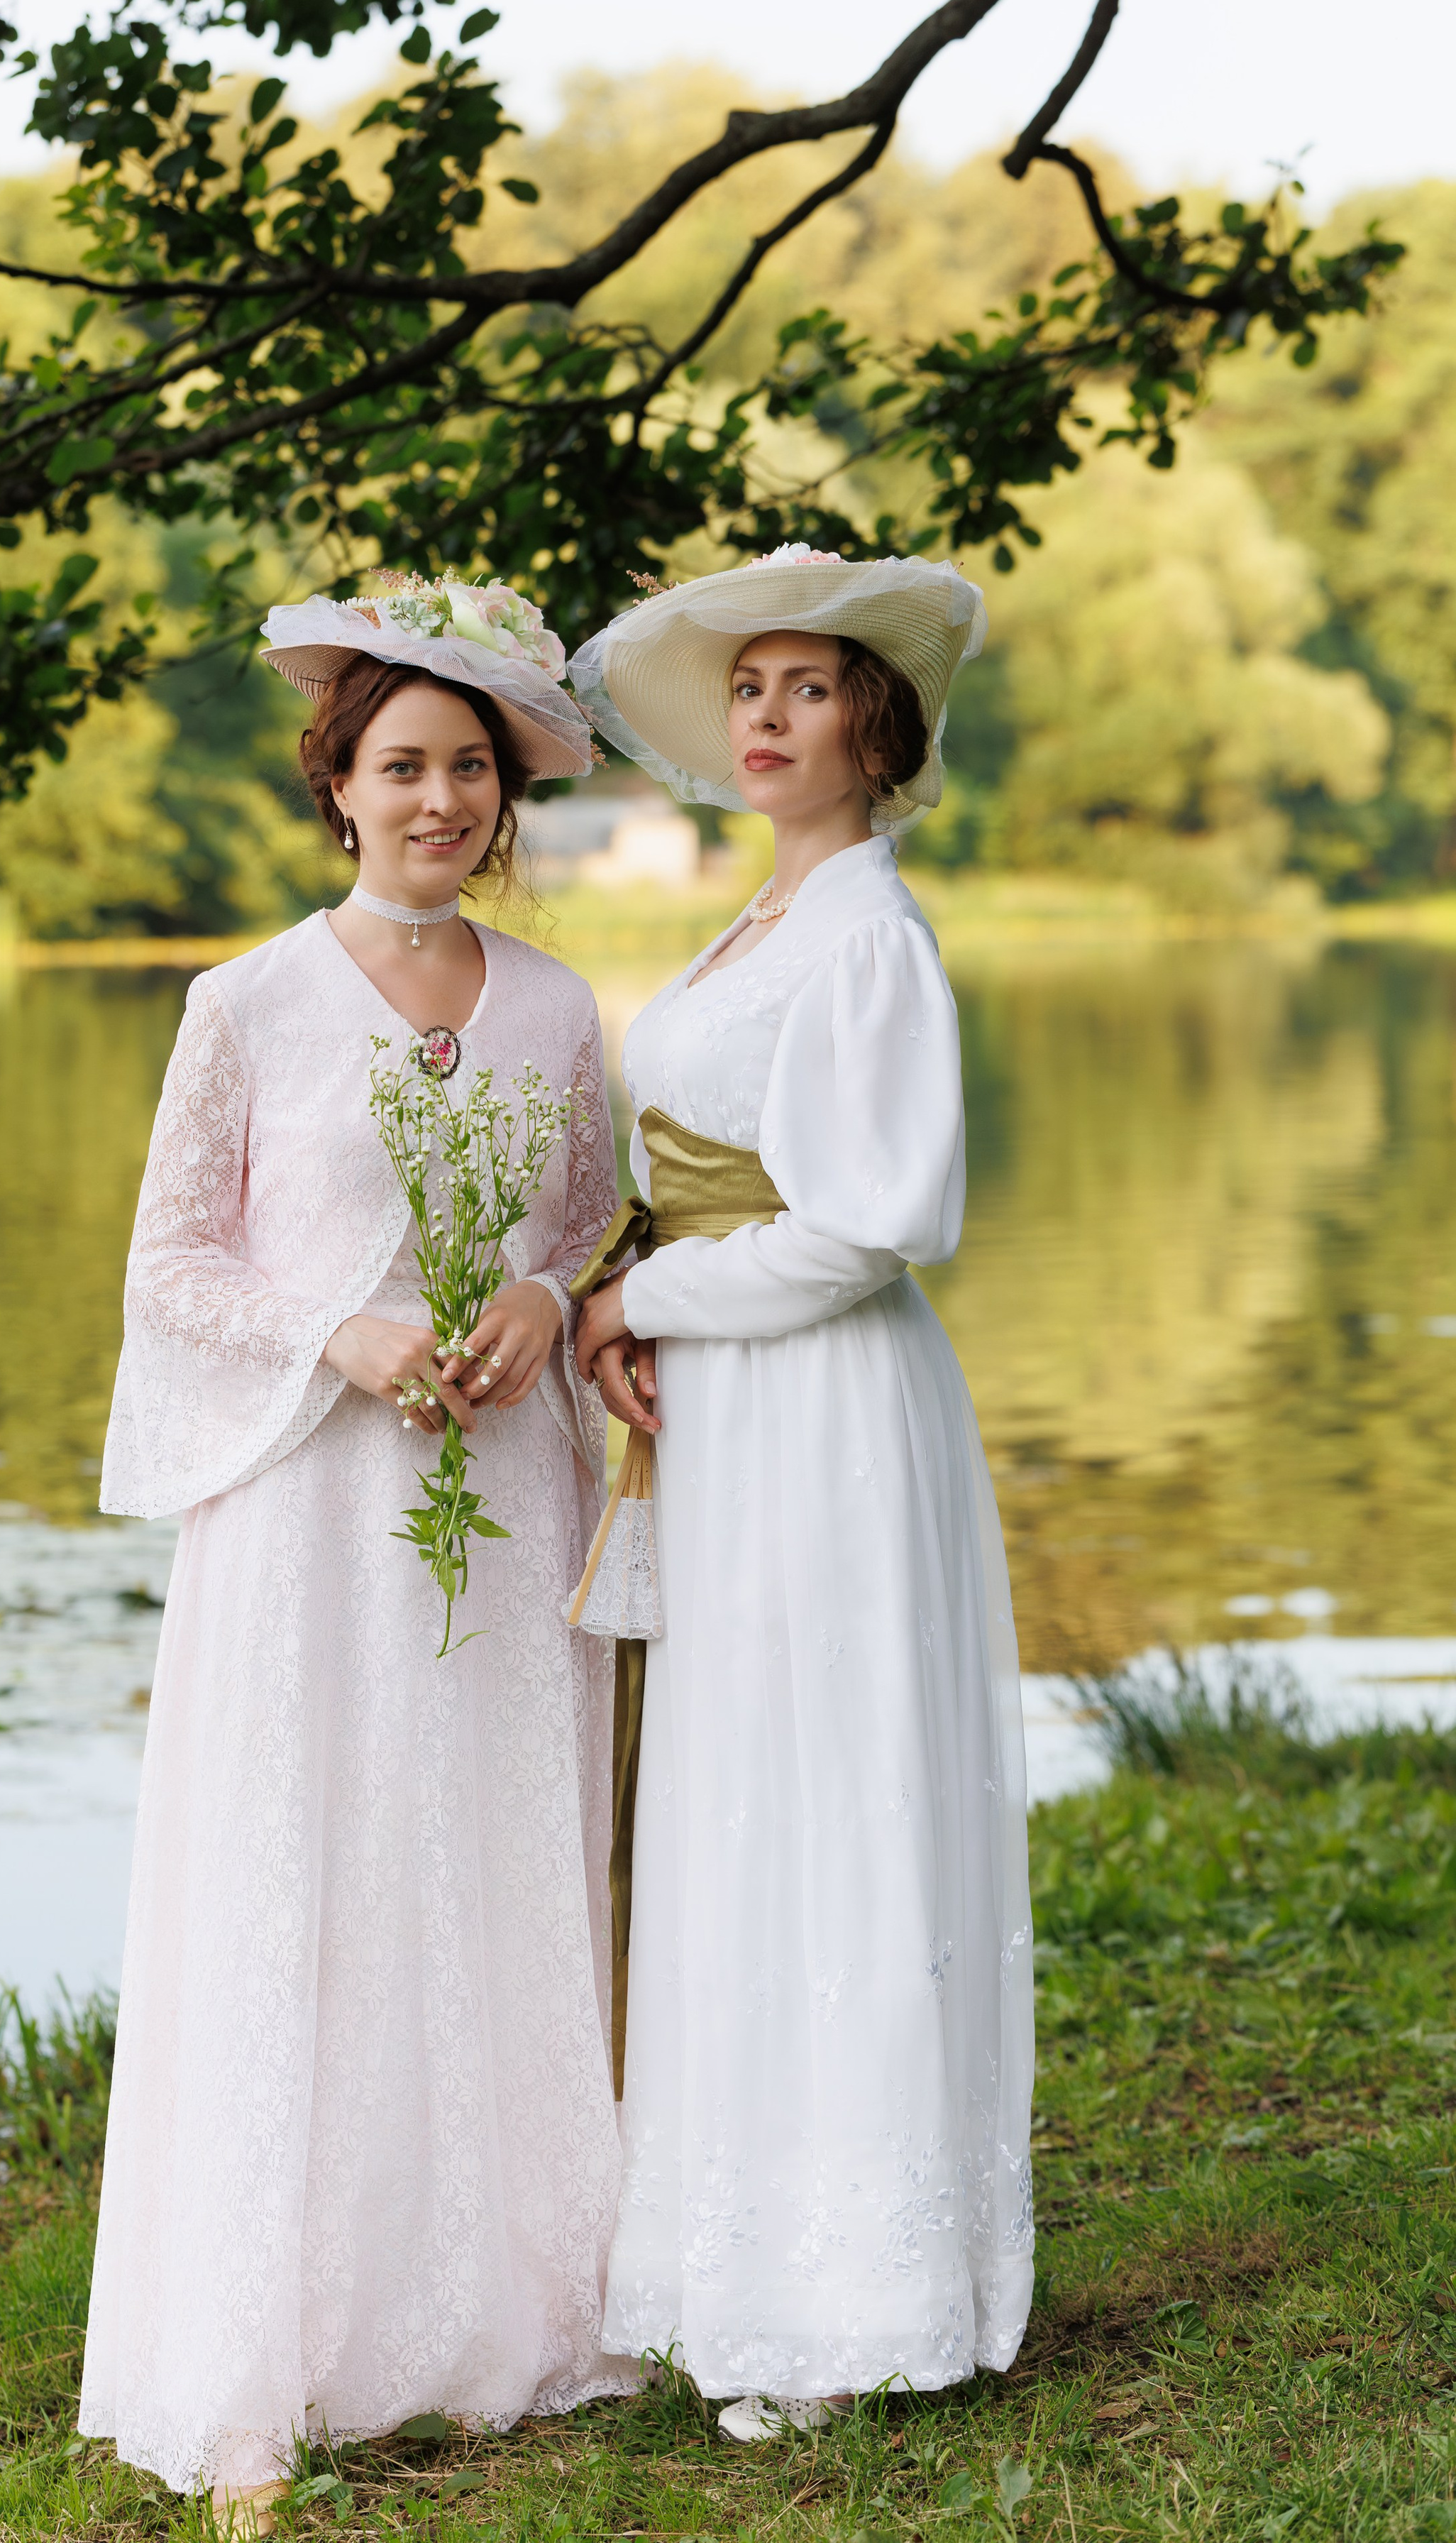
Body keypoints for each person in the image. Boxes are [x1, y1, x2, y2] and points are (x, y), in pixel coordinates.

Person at [79, 578, 630, 2528]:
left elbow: (592, 1231)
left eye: (470, 769)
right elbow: (171, 1267)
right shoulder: (243, 1005)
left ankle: (506, 2324)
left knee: (491, 1875)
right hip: (312, 1514)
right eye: (403, 765)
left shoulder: (564, 1009)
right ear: (339, 788)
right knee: (299, 1883)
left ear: (505, 798)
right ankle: (260, 2361)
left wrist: (547, 1313)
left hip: (503, 1513)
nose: (439, 800)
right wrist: (346, 1328)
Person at [569, 547, 1035, 2435]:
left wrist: (642, 1295)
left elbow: (869, 1220)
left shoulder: (870, 936)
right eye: (747, 689)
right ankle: (741, 2270)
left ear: (876, 725)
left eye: (807, 689)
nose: (766, 718)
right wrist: (620, 1295)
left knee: (829, 1805)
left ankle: (854, 2300)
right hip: (732, 1414)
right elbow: (702, 1165)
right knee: (734, 1804)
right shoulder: (757, 923)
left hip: (826, 1410)